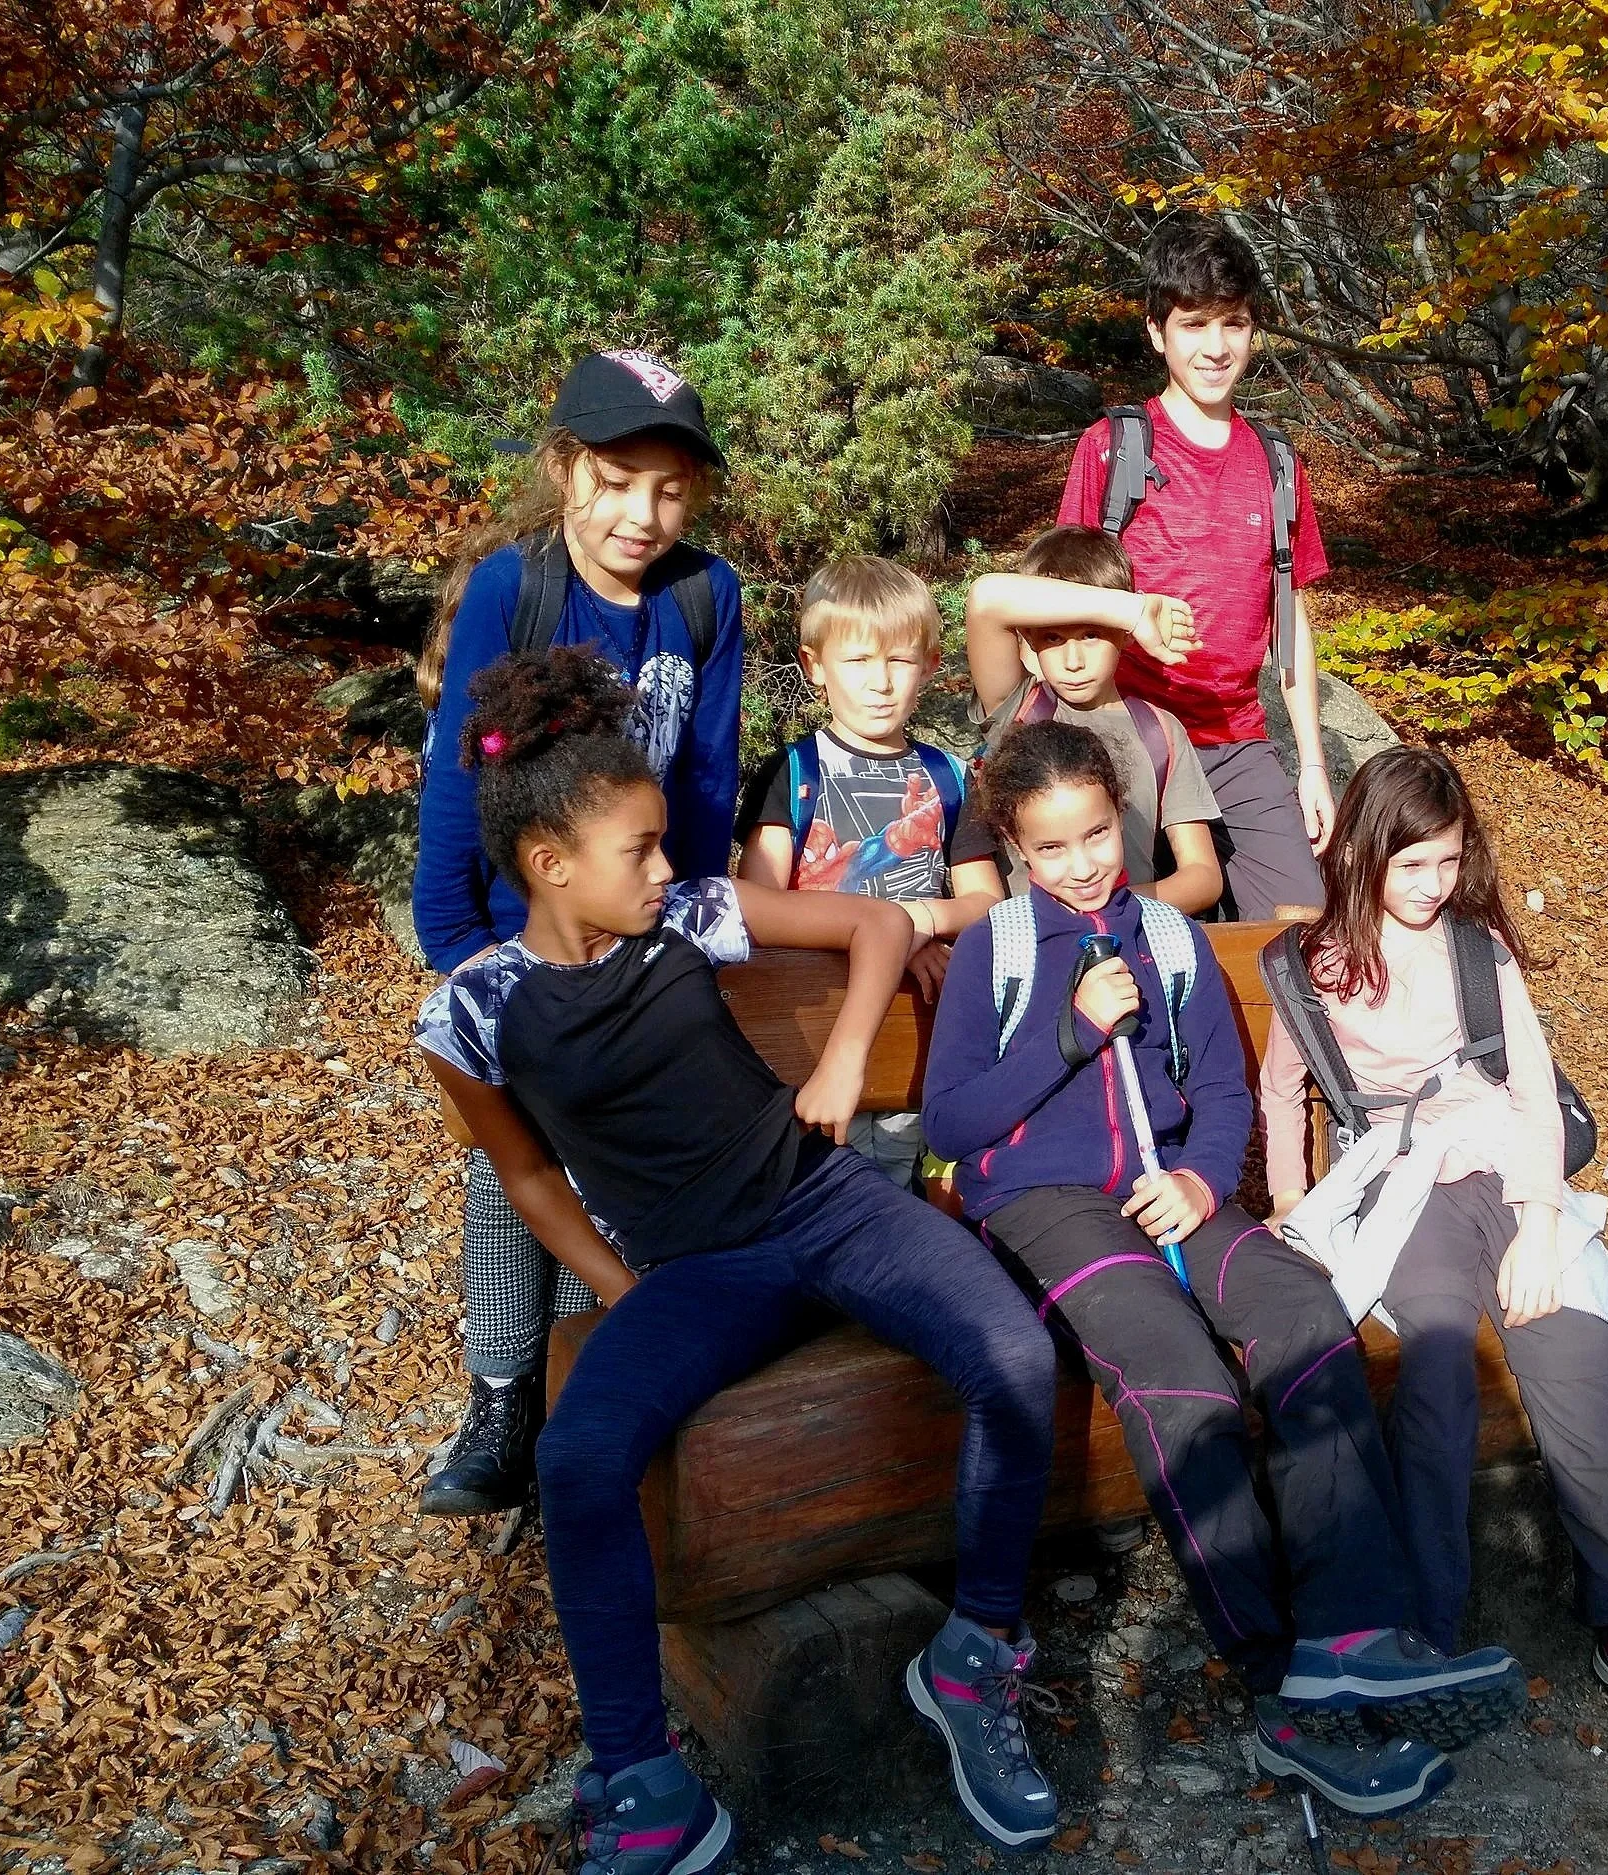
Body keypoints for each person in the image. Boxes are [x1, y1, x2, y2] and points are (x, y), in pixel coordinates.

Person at [416, 646, 1064, 1868]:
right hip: (700, 1274)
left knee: (1013, 1358)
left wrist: (838, 1060)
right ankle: (648, 1782)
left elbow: (876, 921)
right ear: (550, 866)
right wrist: (621, 1296)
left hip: (829, 1207)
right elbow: (526, 1180)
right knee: (581, 1453)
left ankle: (973, 1658)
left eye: (666, 844)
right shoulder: (473, 1011)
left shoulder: (700, 914)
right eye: (640, 851)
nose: (667, 867)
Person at [921, 719, 1526, 1822]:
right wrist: (1065, 1034)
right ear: (1012, 843)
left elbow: (1232, 1101)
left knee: (1304, 1319)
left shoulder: (1167, 935)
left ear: (1125, 817)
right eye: (1050, 848)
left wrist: (1204, 1183)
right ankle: (1277, 1683)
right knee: (1180, 1378)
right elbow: (954, 1121)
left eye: (1097, 834)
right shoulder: (994, 949)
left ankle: (1350, 1634)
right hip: (1047, 1209)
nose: (1082, 864)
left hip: (1173, 1198)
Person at [1258, 747, 1608, 1763]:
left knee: (1578, 1356)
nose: (1431, 887)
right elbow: (1280, 1089)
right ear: (1366, 853)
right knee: (1434, 1366)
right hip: (1399, 1184)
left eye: (1448, 863)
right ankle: (1423, 1636)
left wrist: (1545, 1222)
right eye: (1411, 865)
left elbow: (1531, 1095)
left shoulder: (1478, 954)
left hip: (1510, 1175)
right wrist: (1291, 1202)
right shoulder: (1314, 965)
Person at [412, 348, 748, 1519]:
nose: (641, 515)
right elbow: (462, 768)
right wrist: (457, 941)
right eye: (615, 481)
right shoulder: (518, 587)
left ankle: (571, 1390)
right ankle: (502, 1401)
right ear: (564, 470)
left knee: (600, 1169)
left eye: (667, 490)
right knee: (516, 1175)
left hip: (643, 924)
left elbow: (707, 776)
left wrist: (683, 926)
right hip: (521, 938)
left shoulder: (706, 598)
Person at [1054, 213, 1335, 921]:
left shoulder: (1278, 465)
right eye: (1194, 324)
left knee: (1301, 934)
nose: (1216, 347)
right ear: (1157, 331)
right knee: (1127, 924)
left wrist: (1312, 766)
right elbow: (1061, 592)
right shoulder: (1114, 448)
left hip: (1236, 741)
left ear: (1254, 330)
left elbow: (1290, 620)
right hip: (1125, 733)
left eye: (1233, 324)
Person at [738, 556, 1004, 1186]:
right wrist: (885, 935)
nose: (880, 682)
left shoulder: (949, 778)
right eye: (858, 661)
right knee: (809, 1188)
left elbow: (985, 902)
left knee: (893, 1187)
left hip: (913, 1026)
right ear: (815, 667)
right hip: (811, 1020)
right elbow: (759, 906)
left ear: (932, 667)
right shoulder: (794, 772)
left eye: (900, 660)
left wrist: (915, 923)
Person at [964, 525, 1224, 914]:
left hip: (1129, 936)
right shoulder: (1017, 707)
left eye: (1090, 635)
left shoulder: (1160, 731)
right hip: (1036, 945)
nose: (1073, 661)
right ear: (1030, 640)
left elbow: (1203, 874)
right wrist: (1129, 610)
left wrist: (1113, 906)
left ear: (1124, 636)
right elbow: (985, 599)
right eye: (1052, 638)